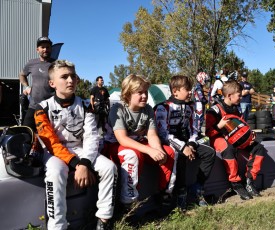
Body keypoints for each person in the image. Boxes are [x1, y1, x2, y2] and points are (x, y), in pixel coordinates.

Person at [34, 60, 117, 230]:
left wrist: (85, 162)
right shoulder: (42, 108)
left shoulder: (86, 105)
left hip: (81, 149)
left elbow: (92, 136)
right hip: (54, 153)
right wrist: (77, 164)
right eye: (64, 77)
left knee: (109, 167)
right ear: (52, 83)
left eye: (73, 76)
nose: (70, 80)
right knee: (56, 171)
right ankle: (57, 226)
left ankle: (104, 219)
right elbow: (51, 143)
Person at [106, 74, 176, 209]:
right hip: (116, 145)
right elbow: (122, 139)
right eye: (140, 93)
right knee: (132, 155)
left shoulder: (148, 109)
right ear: (127, 94)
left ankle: (164, 194)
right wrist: (150, 150)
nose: (144, 96)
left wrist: (158, 150)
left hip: (139, 143)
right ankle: (128, 203)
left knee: (169, 152)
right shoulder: (118, 108)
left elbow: (152, 134)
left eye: (145, 92)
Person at [154, 75, 216, 211]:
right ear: (175, 91)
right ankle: (178, 195)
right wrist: (183, 147)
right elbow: (163, 134)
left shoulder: (190, 107)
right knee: (179, 157)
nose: (190, 92)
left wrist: (192, 145)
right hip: (170, 144)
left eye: (190, 89)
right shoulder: (162, 108)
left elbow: (195, 129)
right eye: (187, 89)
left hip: (187, 143)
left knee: (210, 153)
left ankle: (197, 188)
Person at [206, 80, 266, 200]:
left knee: (258, 148)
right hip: (218, 138)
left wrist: (250, 134)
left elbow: (242, 126)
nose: (241, 96)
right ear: (229, 95)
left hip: (236, 138)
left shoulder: (236, 109)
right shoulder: (214, 110)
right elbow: (208, 133)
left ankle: (249, 181)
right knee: (229, 148)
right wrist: (219, 126)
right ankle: (235, 183)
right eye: (239, 94)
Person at [19, 36, 55, 131]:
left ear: (51, 49)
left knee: (49, 136)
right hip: (33, 106)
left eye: (47, 47)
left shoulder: (56, 64)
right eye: (42, 47)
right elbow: (22, 75)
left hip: (51, 107)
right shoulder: (31, 63)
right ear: (37, 49)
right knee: (26, 133)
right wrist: (26, 87)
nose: (45, 49)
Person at [193, 71, 210, 136]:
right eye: (205, 80)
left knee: (200, 119)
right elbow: (201, 98)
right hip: (198, 105)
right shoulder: (198, 87)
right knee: (199, 119)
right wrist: (205, 101)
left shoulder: (199, 87)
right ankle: (197, 132)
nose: (205, 82)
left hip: (199, 105)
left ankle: (198, 132)